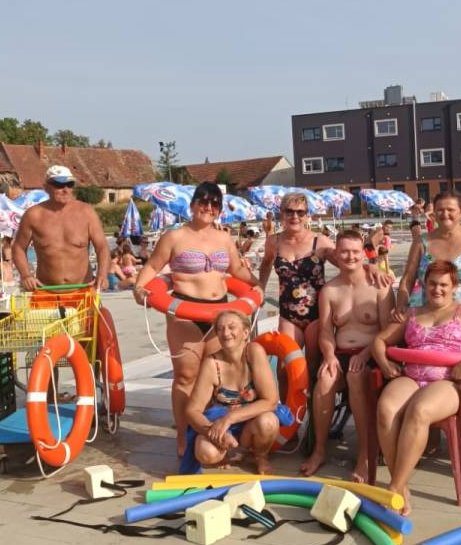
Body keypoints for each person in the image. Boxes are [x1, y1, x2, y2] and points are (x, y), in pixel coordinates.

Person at [371, 260, 461, 515]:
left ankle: (394, 489)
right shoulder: (411, 313)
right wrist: (385, 364)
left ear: (455, 286)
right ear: (424, 285)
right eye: (432, 283)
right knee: (386, 408)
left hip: (454, 383)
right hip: (413, 376)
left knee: (420, 410)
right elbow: (379, 340)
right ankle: (401, 485)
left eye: (444, 284)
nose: (437, 289)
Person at [134, 181, 257, 456]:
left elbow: (237, 269)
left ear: (219, 209)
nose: (208, 207)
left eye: (214, 203)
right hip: (185, 313)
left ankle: (208, 432)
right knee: (186, 376)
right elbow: (153, 265)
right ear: (192, 205)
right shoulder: (174, 237)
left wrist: (256, 285)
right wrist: (139, 287)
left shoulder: (224, 238)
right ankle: (182, 435)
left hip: (219, 313)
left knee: (214, 376)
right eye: (203, 201)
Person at [258, 192, 388, 376]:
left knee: (312, 367)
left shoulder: (319, 242)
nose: (295, 216)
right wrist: (261, 289)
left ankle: (310, 396)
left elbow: (348, 262)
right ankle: (287, 397)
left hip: (316, 315)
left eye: (300, 212)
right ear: (282, 213)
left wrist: (371, 267)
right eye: (289, 211)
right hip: (287, 315)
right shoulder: (274, 242)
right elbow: (265, 265)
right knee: (284, 369)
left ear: (307, 215)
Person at [300, 230, 394, 478]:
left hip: (371, 353)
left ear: (363, 253)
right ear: (336, 254)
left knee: (355, 376)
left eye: (355, 252)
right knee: (324, 381)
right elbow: (325, 331)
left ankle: (364, 454)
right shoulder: (330, 290)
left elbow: (387, 331)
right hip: (341, 352)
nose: (350, 257)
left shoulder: (379, 286)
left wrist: (365, 354)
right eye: (344, 252)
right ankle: (319, 450)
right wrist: (329, 355)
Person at [184, 310, 281, 473]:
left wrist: (229, 418)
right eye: (220, 329)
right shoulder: (211, 363)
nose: (226, 333)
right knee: (205, 452)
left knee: (269, 422)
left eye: (231, 327)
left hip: (251, 423)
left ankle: (260, 455)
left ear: (245, 333)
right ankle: (223, 454)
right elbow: (192, 411)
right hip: (222, 426)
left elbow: (271, 401)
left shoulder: (254, 352)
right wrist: (214, 432)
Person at [395, 191, 461, 320]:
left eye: (450, 210)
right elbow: (408, 279)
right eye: (440, 210)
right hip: (428, 318)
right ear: (434, 213)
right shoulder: (421, 242)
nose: (445, 214)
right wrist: (401, 305)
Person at [12, 166, 111, 291]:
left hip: (83, 289)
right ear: (46, 187)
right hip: (45, 289)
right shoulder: (33, 215)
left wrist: (102, 274)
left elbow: (102, 247)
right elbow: (18, 247)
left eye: (70, 185)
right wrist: (26, 275)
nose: (65, 190)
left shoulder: (86, 213)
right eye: (59, 185)